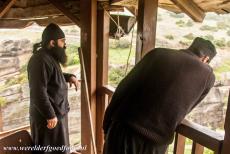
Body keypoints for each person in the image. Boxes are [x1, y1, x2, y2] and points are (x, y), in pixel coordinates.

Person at [103, 37, 217, 154]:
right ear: (206, 59)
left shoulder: (157, 54)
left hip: (123, 131)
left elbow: (123, 88)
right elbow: (187, 109)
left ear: (191, 47)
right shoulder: (209, 77)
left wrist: (106, 125)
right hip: (156, 144)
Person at [27, 23, 79, 154]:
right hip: (48, 119)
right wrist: (50, 115)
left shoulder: (49, 56)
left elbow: (53, 76)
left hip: (55, 116)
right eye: (62, 41)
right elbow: (38, 91)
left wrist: (69, 77)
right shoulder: (40, 60)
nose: (65, 45)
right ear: (52, 42)